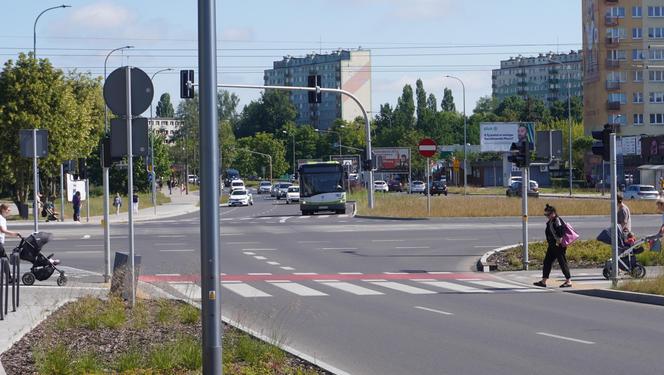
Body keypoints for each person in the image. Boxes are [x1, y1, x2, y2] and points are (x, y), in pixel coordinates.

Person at [534, 204, 572, 288]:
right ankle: (543, 281)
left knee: (562, 262)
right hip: (552, 245)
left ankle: (568, 281)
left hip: (558, 245)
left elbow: (561, 232)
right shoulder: (551, 221)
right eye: (546, 215)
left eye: (548, 214)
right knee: (547, 261)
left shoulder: (557, 220)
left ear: (553, 213)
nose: (547, 216)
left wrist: (559, 242)